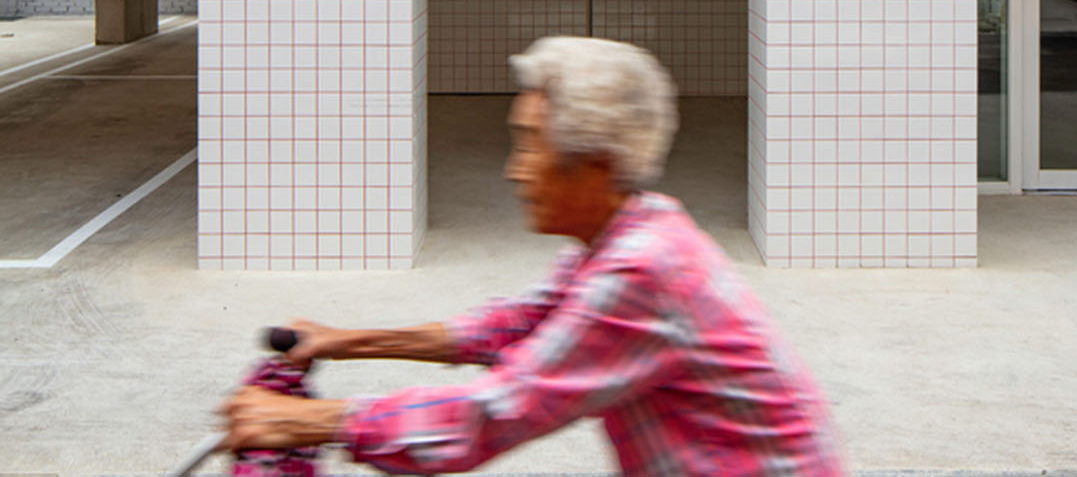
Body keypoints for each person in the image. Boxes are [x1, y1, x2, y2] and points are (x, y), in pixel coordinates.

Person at [224, 36, 844, 475]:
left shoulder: (644, 270)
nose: (513, 171)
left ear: (596, 164)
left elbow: (495, 413)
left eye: (529, 146)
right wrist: (340, 340)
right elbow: (514, 325)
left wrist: (304, 423)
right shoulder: (632, 233)